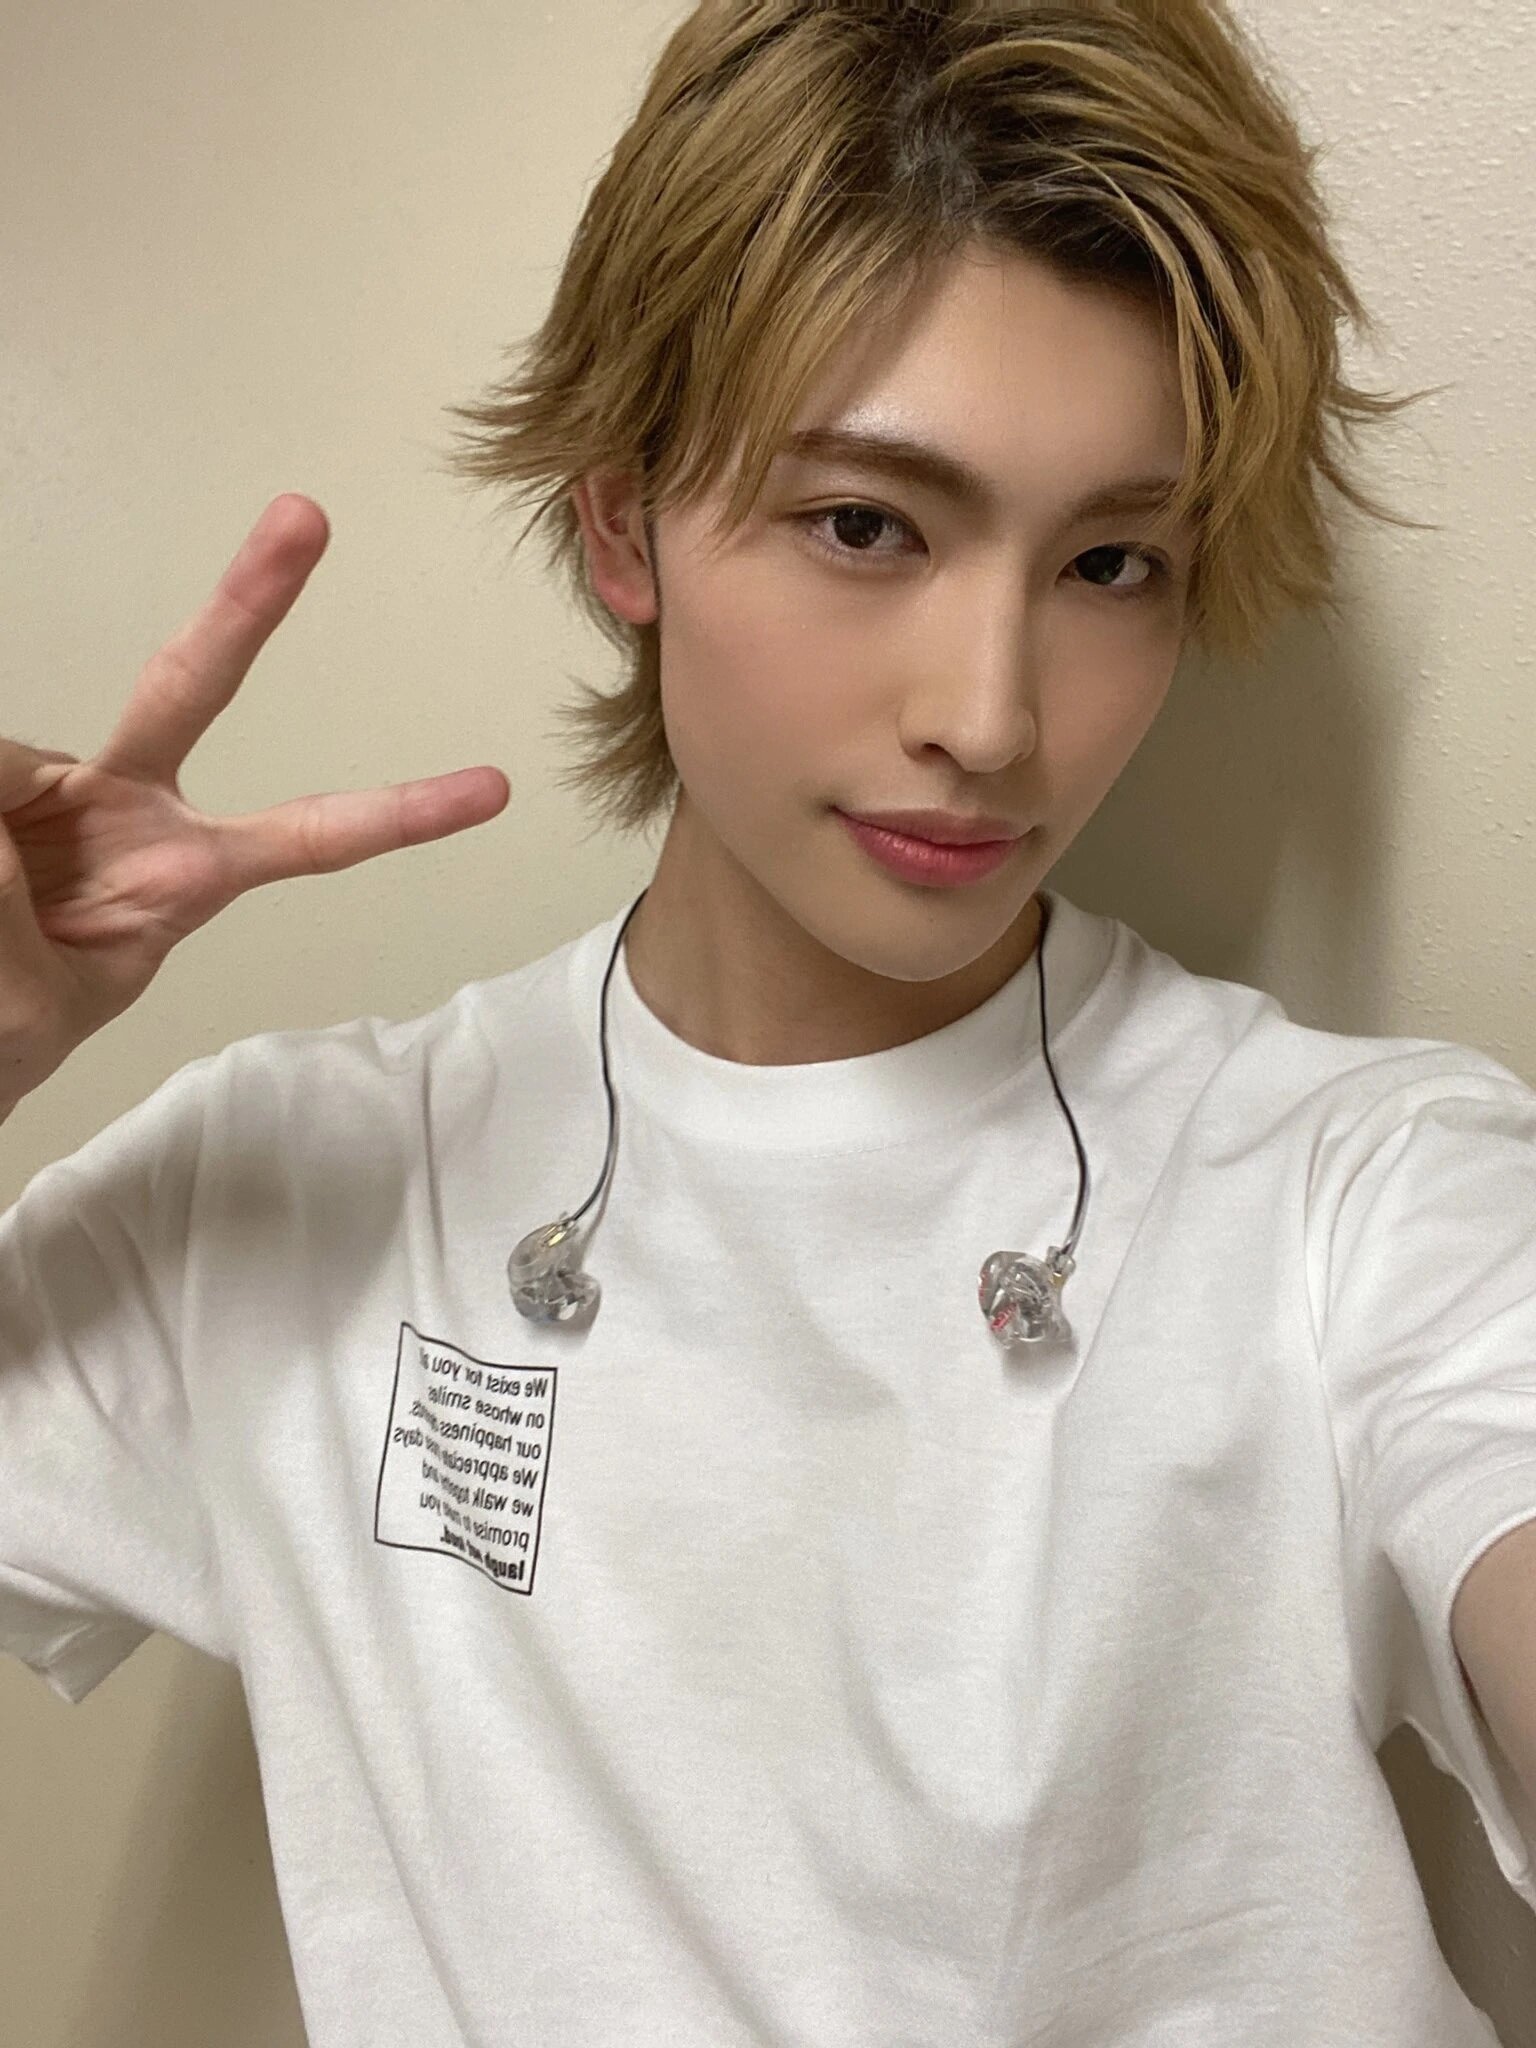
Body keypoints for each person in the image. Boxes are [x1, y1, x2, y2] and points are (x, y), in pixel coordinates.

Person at [2, 1, 1533, 2042]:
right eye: (867, 524)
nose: (991, 718)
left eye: (1111, 562)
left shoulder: (1359, 1188)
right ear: (623, 519)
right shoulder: (296, 1189)